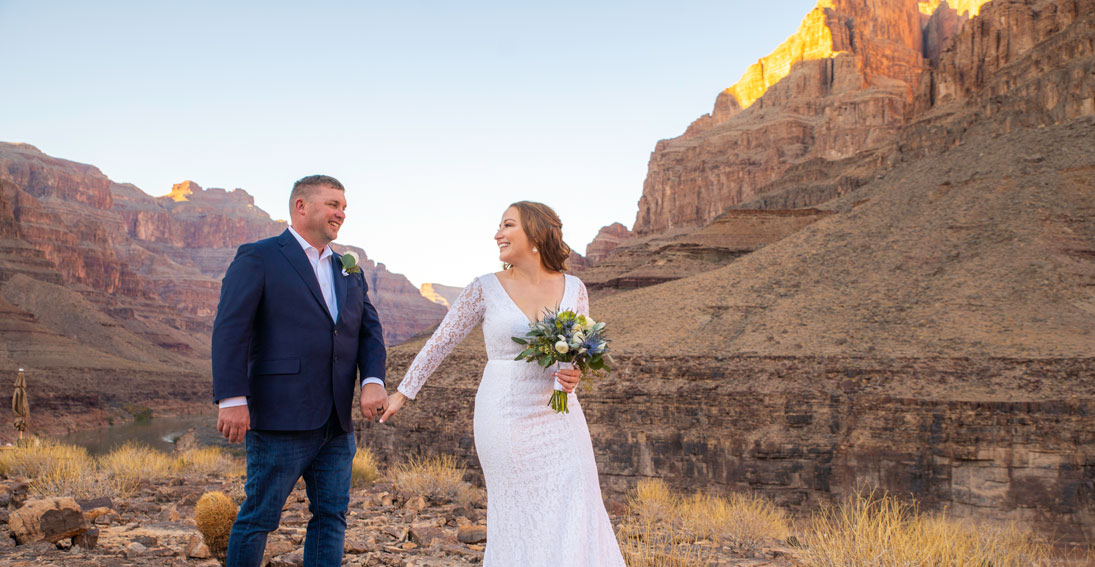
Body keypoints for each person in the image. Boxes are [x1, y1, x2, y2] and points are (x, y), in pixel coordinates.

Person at [380, 201, 626, 566]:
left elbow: (574, 351)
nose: (497, 234)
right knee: (519, 511)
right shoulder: (484, 288)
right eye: (499, 226)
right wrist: (404, 392)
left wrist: (573, 372)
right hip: (505, 414)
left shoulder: (575, 288)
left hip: (560, 414)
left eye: (507, 225)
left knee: (578, 500)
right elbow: (440, 343)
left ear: (536, 234)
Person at [211, 174, 388, 567]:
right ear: (301, 206)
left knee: (331, 518)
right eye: (332, 204)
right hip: (279, 417)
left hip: (337, 422)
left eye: (343, 207)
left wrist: (373, 380)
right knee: (259, 517)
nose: (341, 213)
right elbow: (230, 329)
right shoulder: (259, 256)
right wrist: (232, 398)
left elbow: (368, 331)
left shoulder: (349, 269)